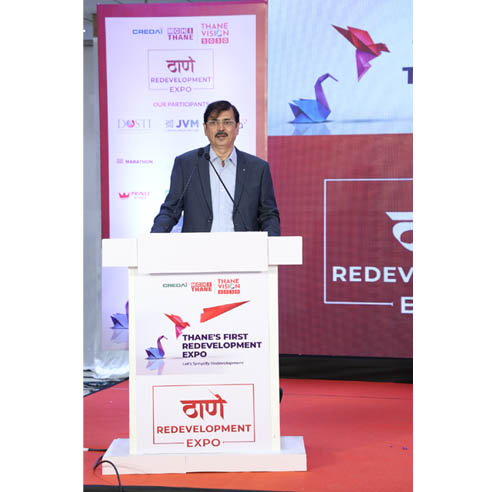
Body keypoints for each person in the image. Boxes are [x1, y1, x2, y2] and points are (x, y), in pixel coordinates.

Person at [150, 100, 280, 236]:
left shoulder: (258, 168)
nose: (220, 128)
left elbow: (268, 215)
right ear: (205, 129)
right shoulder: (186, 164)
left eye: (227, 122)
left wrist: (273, 243)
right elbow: (171, 210)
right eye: (213, 122)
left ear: (237, 127)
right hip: (197, 247)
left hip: (243, 247)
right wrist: (153, 239)